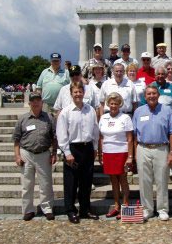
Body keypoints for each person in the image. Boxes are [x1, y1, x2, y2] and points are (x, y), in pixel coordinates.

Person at [133, 85, 172, 221]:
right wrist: (135, 152)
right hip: (143, 148)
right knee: (144, 181)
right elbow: (134, 134)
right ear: (145, 97)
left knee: (162, 180)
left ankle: (162, 209)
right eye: (149, 94)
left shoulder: (167, 111)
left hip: (161, 148)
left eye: (154, 93)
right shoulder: (139, 111)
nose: (151, 96)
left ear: (158, 95)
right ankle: (147, 209)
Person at [56, 81, 99, 224]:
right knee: (71, 182)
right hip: (73, 149)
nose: (78, 94)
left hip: (87, 148)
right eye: (75, 92)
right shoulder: (66, 112)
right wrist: (67, 152)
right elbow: (61, 134)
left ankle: (85, 209)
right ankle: (70, 210)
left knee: (86, 181)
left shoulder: (91, 110)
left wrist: (94, 148)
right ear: (71, 93)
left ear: (84, 92)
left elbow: (95, 130)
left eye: (80, 91)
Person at [12, 92, 57, 221]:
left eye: (38, 100)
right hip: (26, 154)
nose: (35, 103)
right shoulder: (23, 119)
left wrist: (54, 153)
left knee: (46, 184)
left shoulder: (49, 117)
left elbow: (54, 137)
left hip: (43, 153)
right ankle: (28, 210)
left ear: (42, 102)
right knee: (27, 184)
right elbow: (16, 139)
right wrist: (17, 156)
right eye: (33, 100)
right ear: (29, 103)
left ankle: (47, 208)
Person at [99, 92, 133, 219]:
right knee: (113, 180)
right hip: (108, 152)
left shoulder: (125, 118)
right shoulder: (103, 118)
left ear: (119, 104)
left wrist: (130, 156)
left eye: (116, 103)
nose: (113, 106)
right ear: (108, 104)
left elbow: (130, 139)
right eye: (111, 103)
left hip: (122, 152)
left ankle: (125, 205)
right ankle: (116, 205)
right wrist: (100, 153)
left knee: (123, 179)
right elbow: (101, 137)